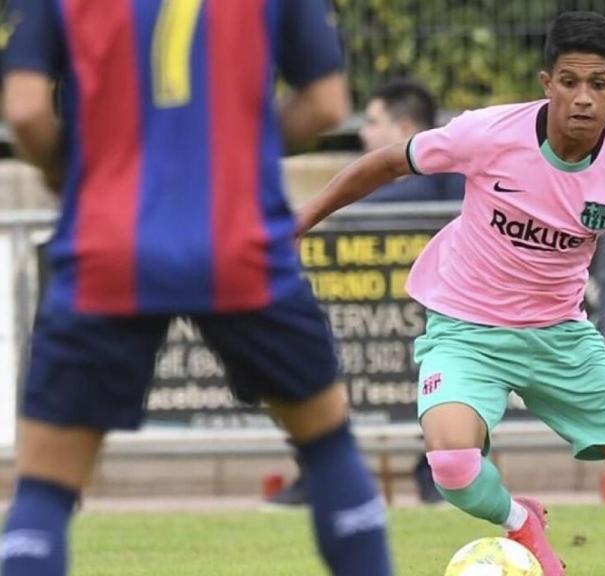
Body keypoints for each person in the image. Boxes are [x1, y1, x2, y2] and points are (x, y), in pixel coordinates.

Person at [297, 11, 605, 576]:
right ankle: (520, 522)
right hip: (465, 329)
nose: (583, 98)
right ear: (547, 83)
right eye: (570, 82)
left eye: (599, 84)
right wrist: (302, 219)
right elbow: (390, 162)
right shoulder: (488, 134)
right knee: (454, 465)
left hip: (559, 337)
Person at [0, 1, 392, 575]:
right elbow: (328, 102)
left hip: (107, 251)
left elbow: (27, 110)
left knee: (45, 489)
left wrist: (74, 170)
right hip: (238, 247)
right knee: (328, 445)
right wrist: (244, 144)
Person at [270, 79, 458, 507]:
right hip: (365, 327)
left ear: (405, 127)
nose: (362, 133)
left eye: (373, 122)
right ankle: (320, 473)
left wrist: (337, 215)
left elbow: (422, 191)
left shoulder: (447, 179)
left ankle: (438, 475)